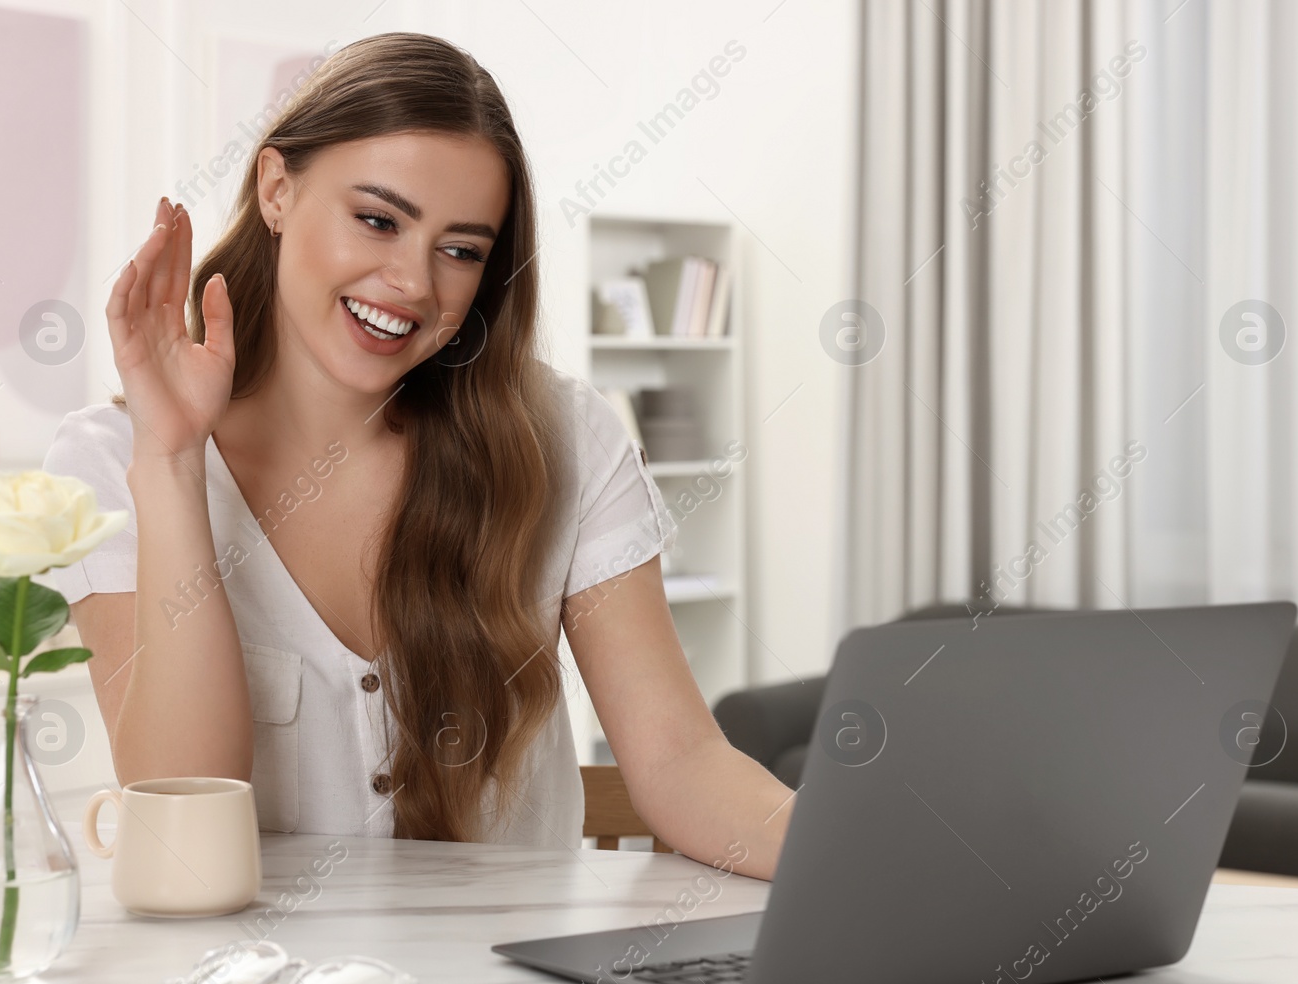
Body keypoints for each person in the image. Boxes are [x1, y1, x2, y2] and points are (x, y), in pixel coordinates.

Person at [42, 32, 793, 879]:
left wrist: (883, 867)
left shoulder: (568, 440)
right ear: (277, 189)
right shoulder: (114, 462)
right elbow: (182, 814)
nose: (413, 282)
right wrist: (174, 458)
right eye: (378, 219)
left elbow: (681, 762)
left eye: (461, 249)